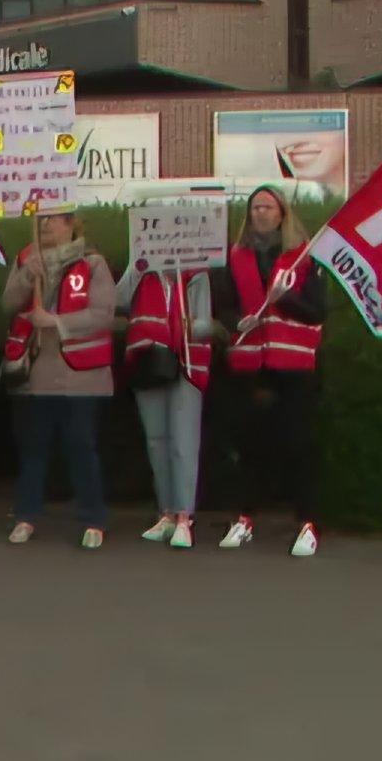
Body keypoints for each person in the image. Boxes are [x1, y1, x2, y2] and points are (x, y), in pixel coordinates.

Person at [212, 186, 326, 558]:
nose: (260, 213)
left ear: (282, 213)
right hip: (249, 365)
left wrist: (285, 300)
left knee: (297, 447)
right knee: (250, 447)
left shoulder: (303, 259)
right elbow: (223, 305)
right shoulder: (236, 256)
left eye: (267, 207)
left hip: (292, 366)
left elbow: (318, 310)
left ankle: (307, 523)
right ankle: (245, 518)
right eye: (255, 207)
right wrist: (234, 321)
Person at [0, 209, 117, 549]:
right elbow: (7, 303)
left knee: (81, 447)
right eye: (41, 219)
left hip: (82, 376)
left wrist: (55, 322)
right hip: (36, 373)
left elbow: (103, 313)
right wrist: (25, 276)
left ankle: (93, 518)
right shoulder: (28, 257)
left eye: (53, 218)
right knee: (33, 448)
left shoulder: (92, 262)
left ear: (71, 223)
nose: (45, 224)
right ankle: (26, 515)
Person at [117, 252, 214, 550]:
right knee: (156, 439)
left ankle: (185, 515)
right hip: (148, 359)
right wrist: (136, 264)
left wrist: (189, 325)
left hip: (185, 361)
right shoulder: (142, 266)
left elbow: (204, 323)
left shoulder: (197, 271)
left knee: (183, 442)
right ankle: (167, 512)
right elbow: (119, 300)